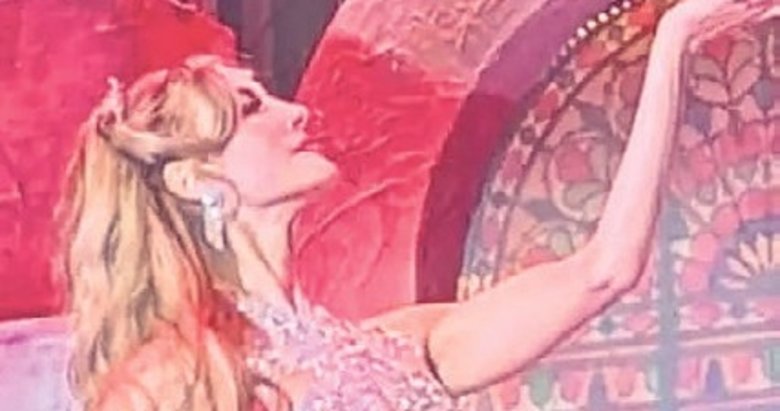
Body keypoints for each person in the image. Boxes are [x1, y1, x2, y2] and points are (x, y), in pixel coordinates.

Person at [58, 0, 780, 409]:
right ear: (195, 180)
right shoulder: (172, 378)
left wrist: (673, 40)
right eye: (251, 110)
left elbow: (604, 269)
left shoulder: (403, 344)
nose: (294, 111)